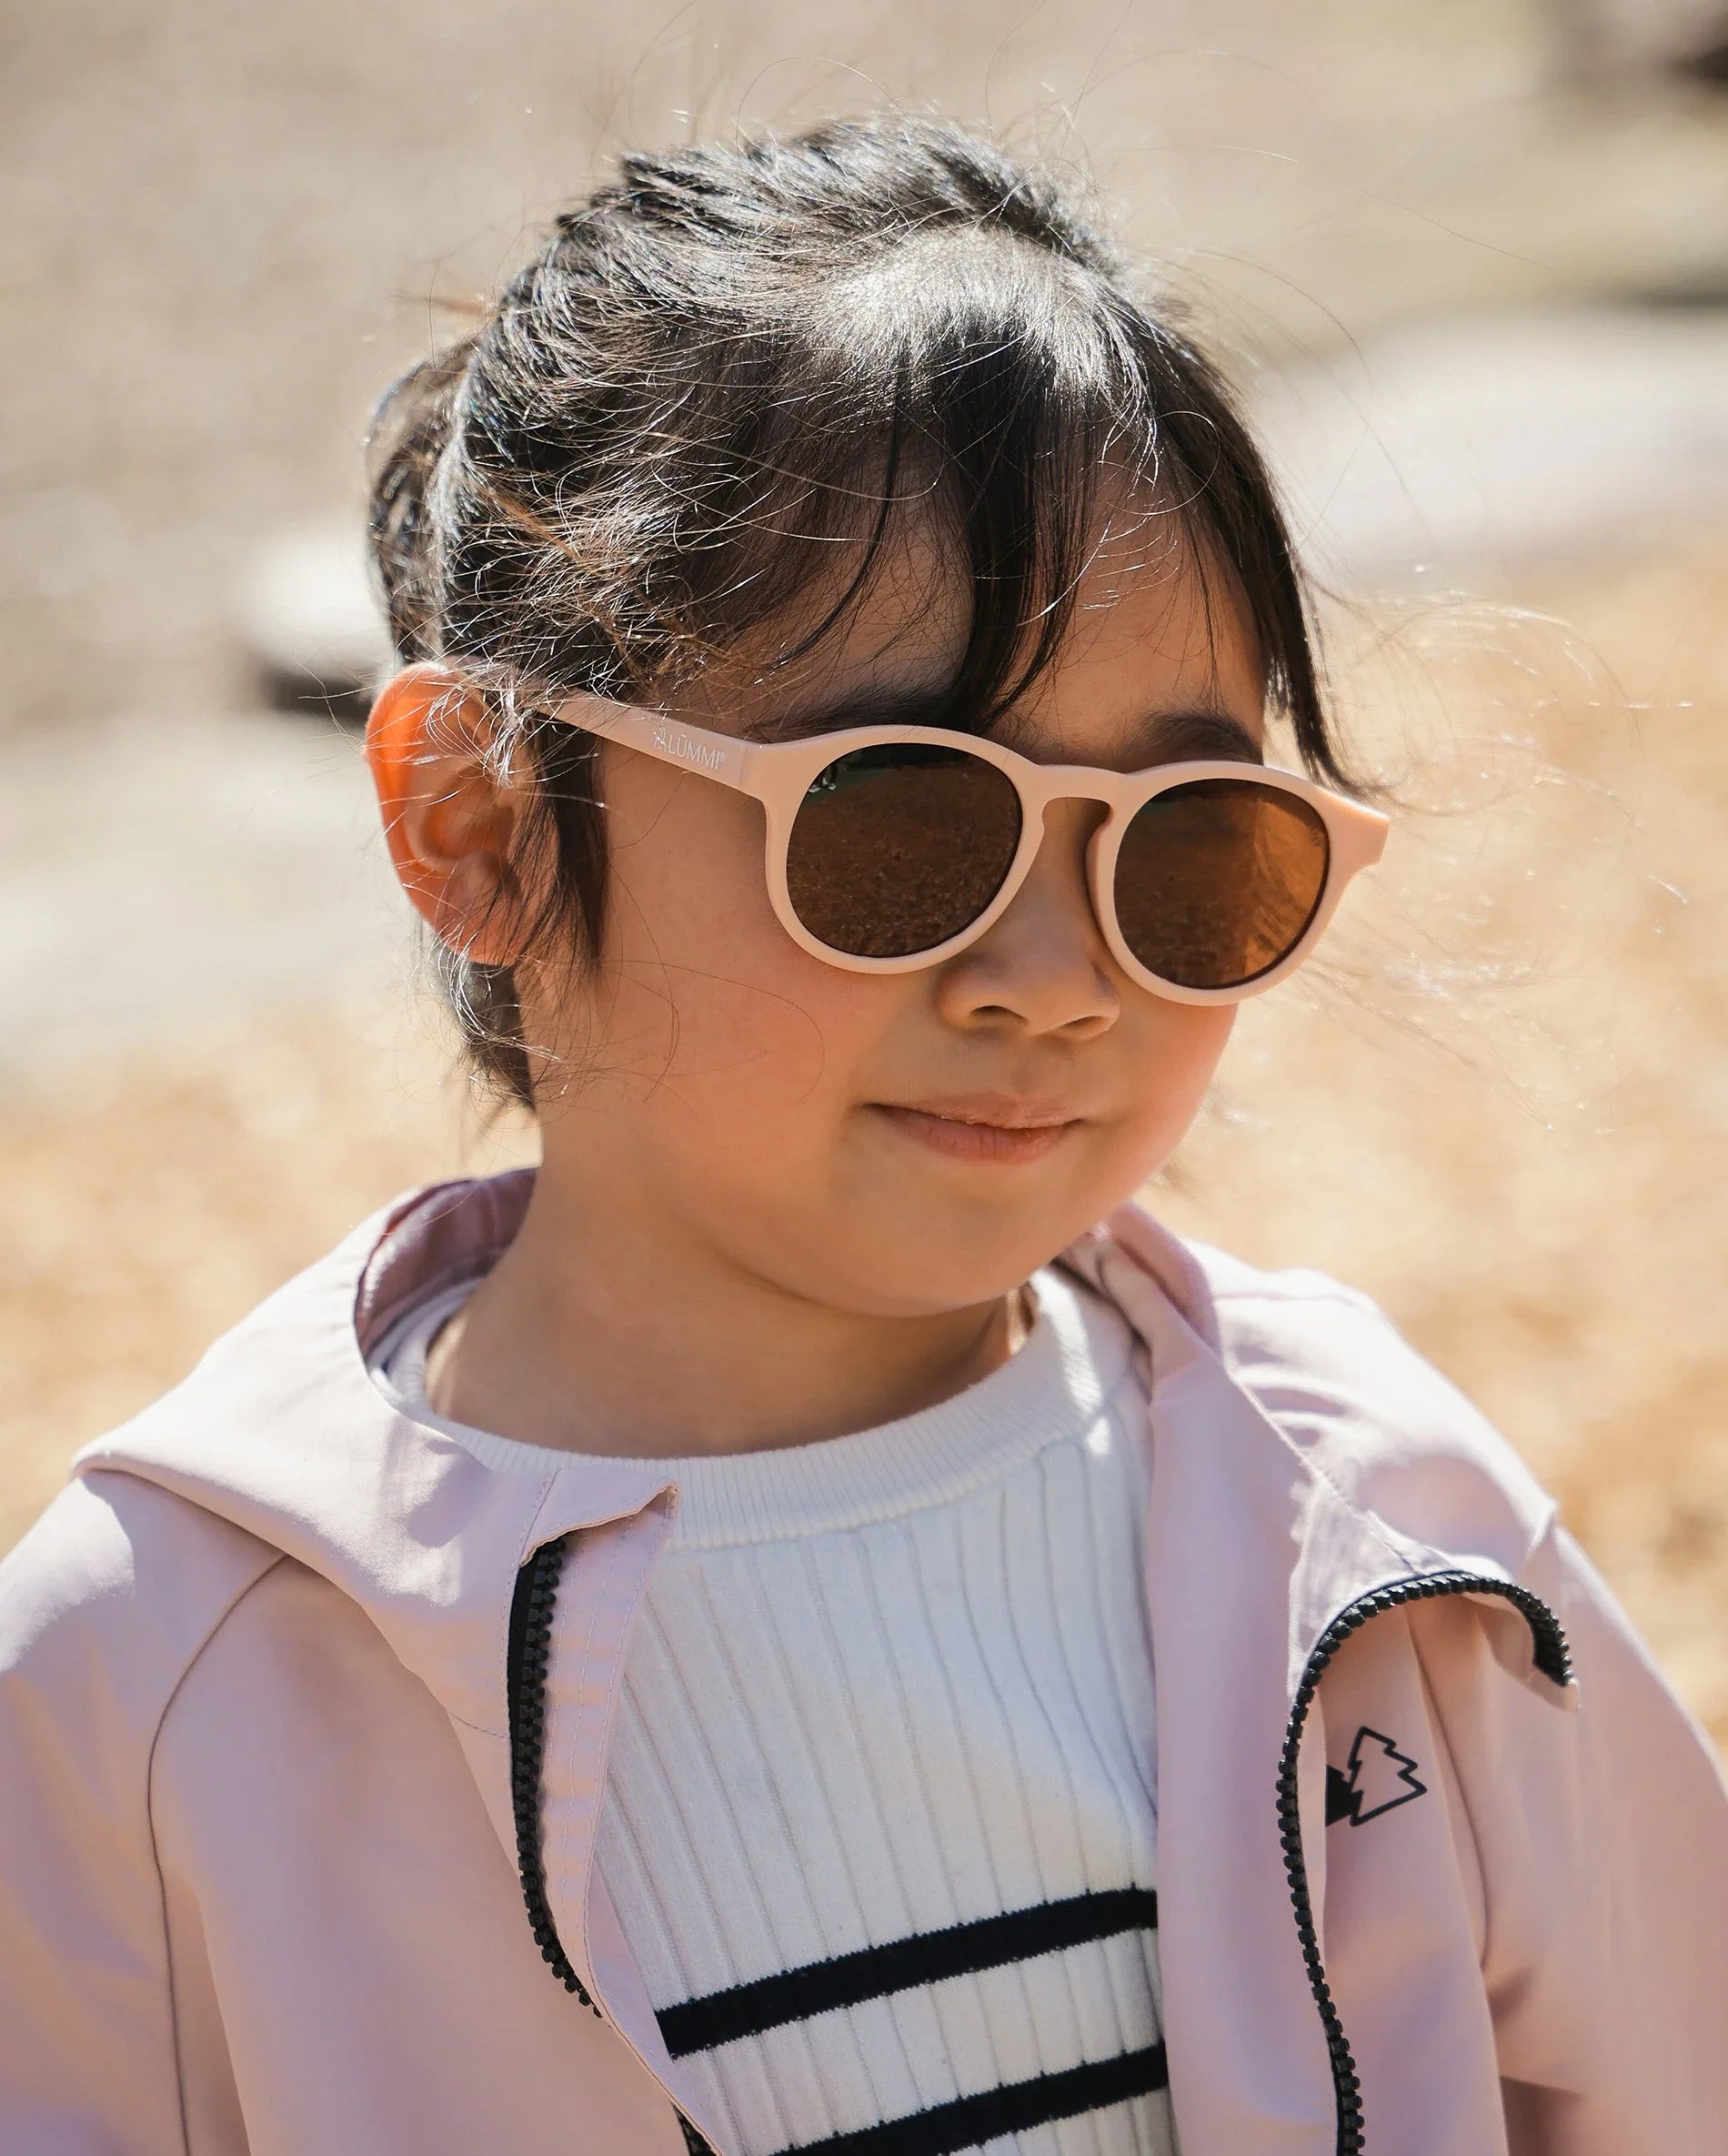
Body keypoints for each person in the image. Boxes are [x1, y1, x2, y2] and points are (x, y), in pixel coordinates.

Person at [0, 116, 1722, 2156]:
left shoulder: (1394, 1533)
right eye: (902, 823)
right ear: (479, 822)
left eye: (1191, 852)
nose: (1053, 979)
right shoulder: (153, 1684)